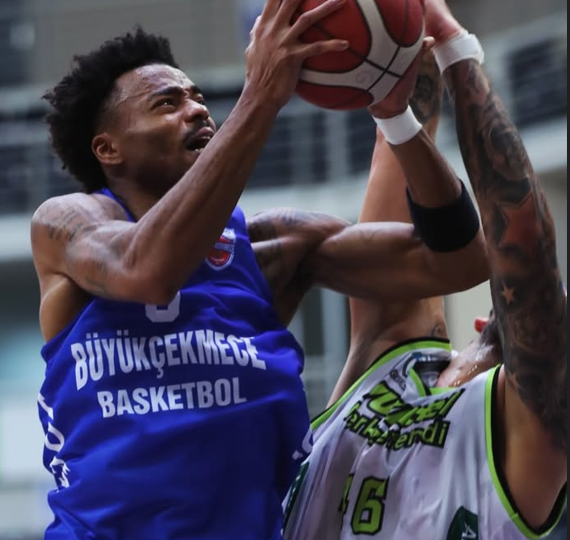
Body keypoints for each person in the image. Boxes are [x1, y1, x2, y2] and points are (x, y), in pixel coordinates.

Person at [30, 0, 488, 537]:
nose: (196, 110)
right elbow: (146, 272)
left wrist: (396, 118)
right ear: (108, 148)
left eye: (198, 98)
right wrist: (262, 94)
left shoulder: (271, 246)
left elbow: (459, 262)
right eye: (167, 103)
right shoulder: (69, 225)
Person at [281, 1, 567, 538]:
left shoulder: (535, 430)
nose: (554, 299)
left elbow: (524, 241)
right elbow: (397, 141)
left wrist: (460, 49)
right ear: (482, 321)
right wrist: (415, 34)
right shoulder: (394, 352)